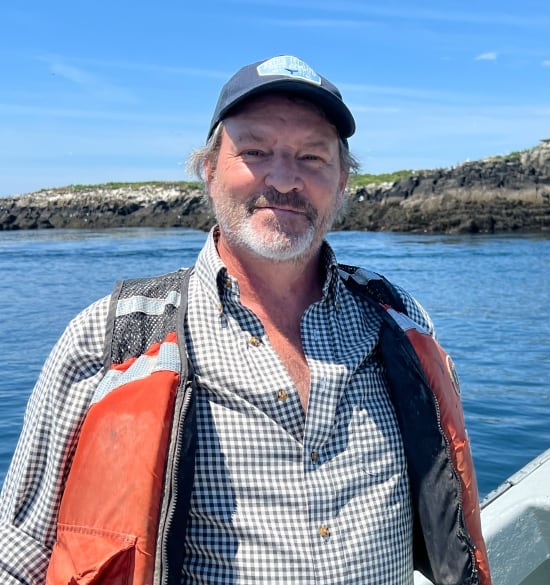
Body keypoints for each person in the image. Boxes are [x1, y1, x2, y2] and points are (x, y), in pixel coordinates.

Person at [0, 55, 491, 585]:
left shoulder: (398, 319)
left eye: (312, 157)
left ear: (344, 180)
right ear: (208, 170)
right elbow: (20, 552)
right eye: (254, 152)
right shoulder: (109, 339)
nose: (283, 179)